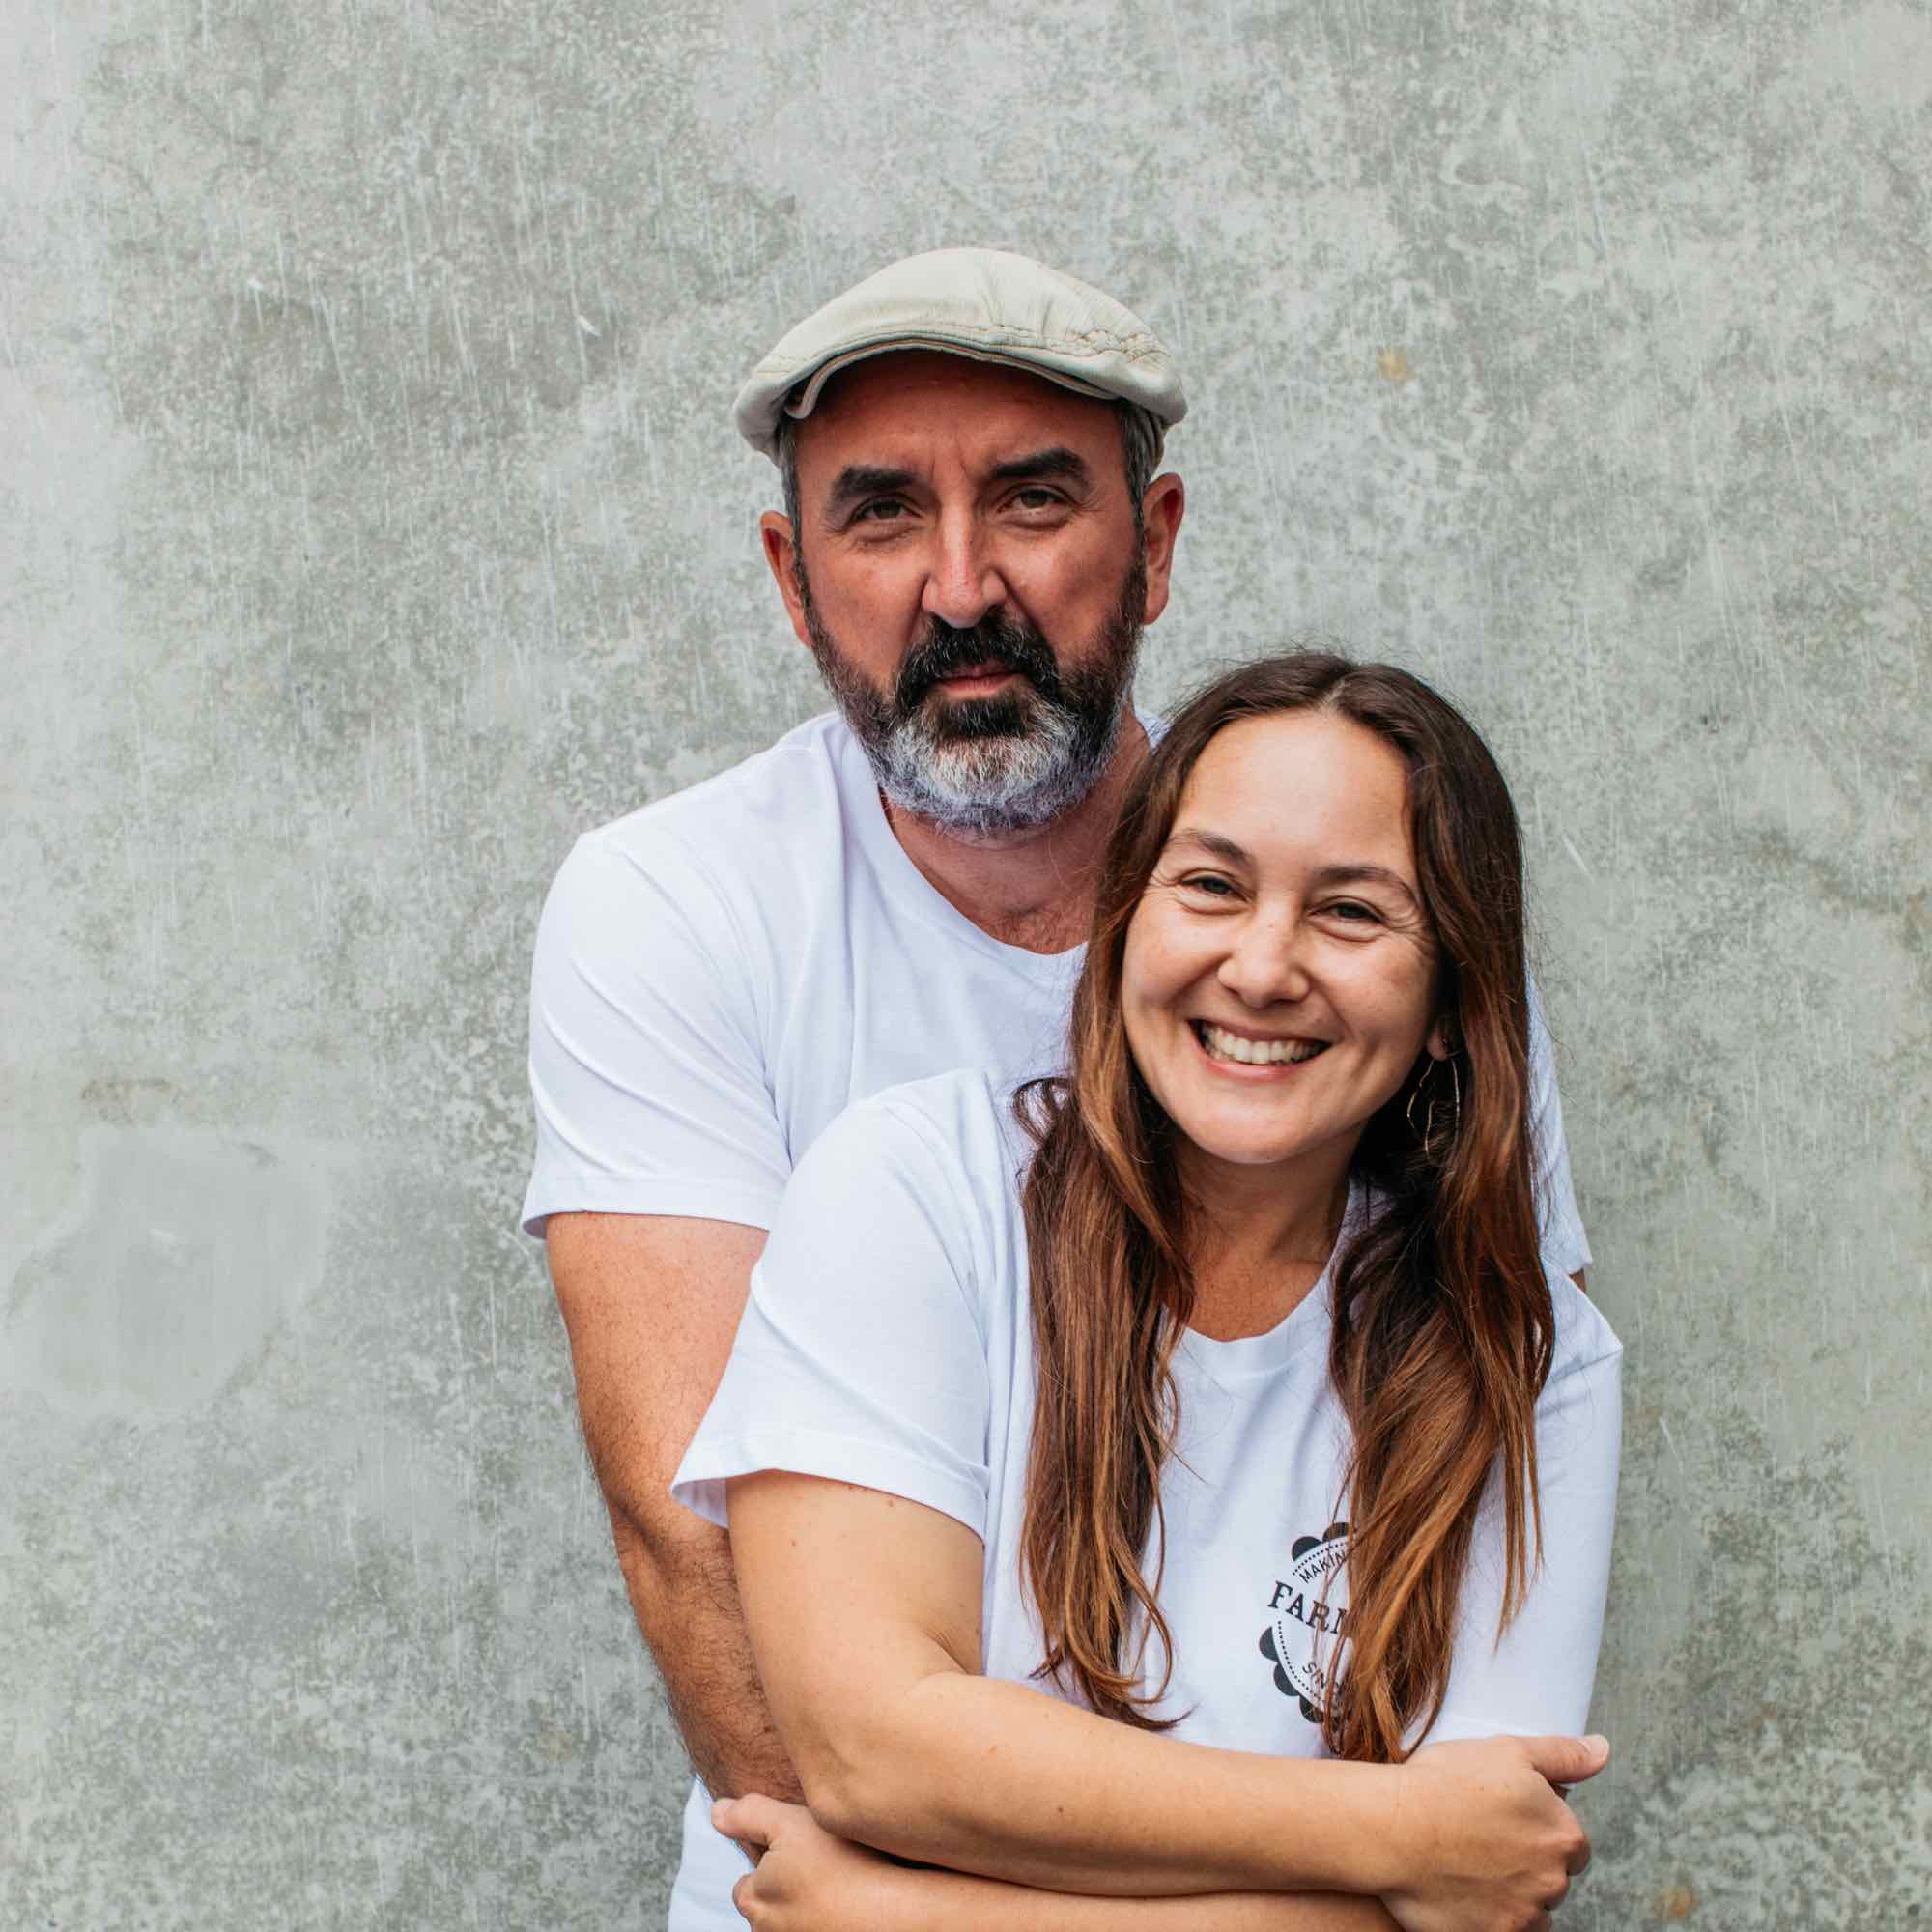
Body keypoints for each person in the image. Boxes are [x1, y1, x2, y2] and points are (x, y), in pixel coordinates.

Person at [521, 248, 1593, 1928]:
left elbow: (1489, 1405)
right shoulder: (684, 915)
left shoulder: (1386, 932)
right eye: (882, 515)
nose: (961, 588)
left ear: (1153, 544)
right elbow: (701, 1550)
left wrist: (922, 1913)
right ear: (793, 578)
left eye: (1031, 500)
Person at [673, 652, 1623, 1931]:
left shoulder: (1530, 1354)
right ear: (1126, 924)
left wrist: (912, 1916)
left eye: (1351, 913)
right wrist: (1396, 1832)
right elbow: (875, 1751)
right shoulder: (917, 1193)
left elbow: (1473, 1895)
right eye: (1212, 887)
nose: (1263, 967)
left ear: (1454, 999)